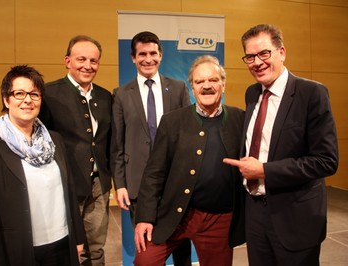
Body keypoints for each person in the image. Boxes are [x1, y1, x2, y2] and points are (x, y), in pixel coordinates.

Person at [223, 24, 339, 266]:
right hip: (255, 212)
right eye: (250, 56)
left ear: (282, 52)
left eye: (264, 53)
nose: (257, 62)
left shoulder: (312, 93)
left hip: (295, 216)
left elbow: (326, 161)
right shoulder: (252, 93)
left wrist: (264, 170)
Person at [133, 55, 246, 266]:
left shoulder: (240, 119)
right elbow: (153, 174)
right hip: (176, 215)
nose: (206, 86)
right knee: (144, 261)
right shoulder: (172, 121)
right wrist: (144, 218)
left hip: (219, 219)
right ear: (192, 88)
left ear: (223, 84)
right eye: (199, 82)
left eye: (212, 80)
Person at [0, 65, 85, 266]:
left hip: (62, 243)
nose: (28, 100)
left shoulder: (54, 139)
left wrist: (78, 237)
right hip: (19, 249)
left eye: (34, 94)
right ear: (6, 99)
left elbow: (69, 189)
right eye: (19, 93)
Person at [110, 31, 192, 265]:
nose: (148, 59)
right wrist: (121, 184)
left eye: (153, 53)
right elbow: (117, 144)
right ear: (133, 58)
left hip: (174, 183)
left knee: (181, 251)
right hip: (138, 185)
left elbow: (187, 137)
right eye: (142, 54)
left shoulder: (177, 89)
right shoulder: (121, 94)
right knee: (148, 251)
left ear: (161, 55)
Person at [38, 35, 112, 266]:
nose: (87, 66)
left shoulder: (105, 96)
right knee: (68, 249)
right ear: (67, 61)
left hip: (99, 186)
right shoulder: (49, 94)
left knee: (96, 249)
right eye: (81, 59)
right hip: (65, 186)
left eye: (93, 60)